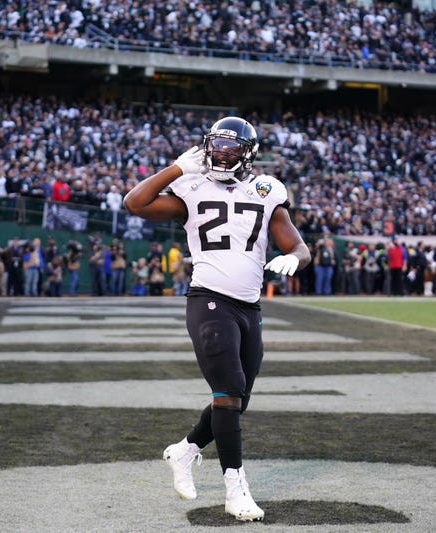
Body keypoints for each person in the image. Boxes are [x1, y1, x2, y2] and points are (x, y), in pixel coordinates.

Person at [123, 116, 311, 522]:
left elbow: (299, 244)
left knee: (237, 400)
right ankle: (235, 488)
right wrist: (175, 168)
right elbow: (134, 203)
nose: (223, 152)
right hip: (208, 298)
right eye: (218, 144)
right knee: (227, 392)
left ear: (249, 152)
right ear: (207, 146)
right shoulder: (190, 186)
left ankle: (186, 450)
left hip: (249, 305)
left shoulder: (266, 189)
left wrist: (293, 257)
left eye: (232, 146)